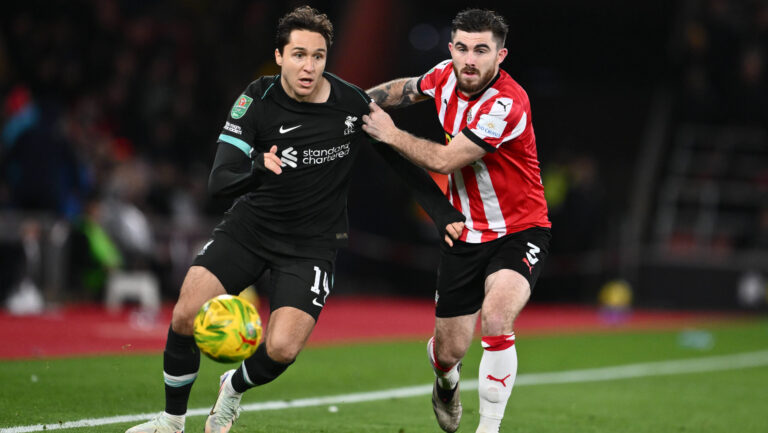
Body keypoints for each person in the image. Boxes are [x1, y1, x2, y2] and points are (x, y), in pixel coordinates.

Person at [126, 6, 464, 433]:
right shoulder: (256, 99)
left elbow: (398, 160)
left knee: (282, 349)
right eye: (299, 55)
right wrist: (256, 170)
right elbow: (219, 181)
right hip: (251, 229)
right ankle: (172, 422)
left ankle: (233, 388)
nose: (309, 66)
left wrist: (441, 212)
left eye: (318, 56)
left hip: (311, 246)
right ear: (280, 56)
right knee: (184, 315)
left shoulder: (351, 104)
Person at [363, 8, 551, 433]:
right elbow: (405, 90)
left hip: (521, 229)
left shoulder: (507, 103)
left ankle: (489, 428)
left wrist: (390, 133)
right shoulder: (444, 75)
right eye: (462, 48)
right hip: (464, 232)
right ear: (450, 48)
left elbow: (447, 160)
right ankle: (446, 384)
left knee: (497, 317)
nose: (469, 59)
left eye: (481, 50)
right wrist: (354, 101)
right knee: (448, 353)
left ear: (500, 55)